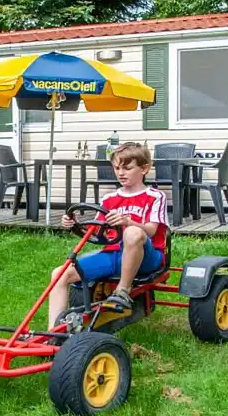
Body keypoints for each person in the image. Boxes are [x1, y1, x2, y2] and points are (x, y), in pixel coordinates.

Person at [47, 141, 169, 329]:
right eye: (117, 168)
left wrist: (128, 222)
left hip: (147, 257)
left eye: (127, 168)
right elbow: (96, 231)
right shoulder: (109, 199)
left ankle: (123, 290)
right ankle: (54, 332)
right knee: (59, 273)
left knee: (133, 233)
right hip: (113, 256)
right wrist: (73, 225)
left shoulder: (154, 196)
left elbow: (152, 230)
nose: (121, 173)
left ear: (144, 169)